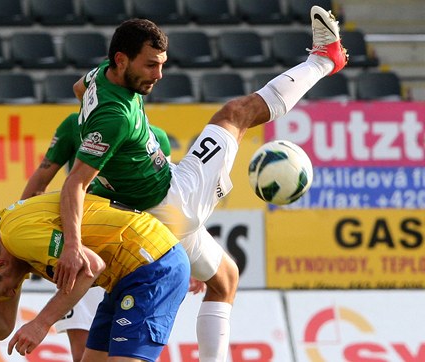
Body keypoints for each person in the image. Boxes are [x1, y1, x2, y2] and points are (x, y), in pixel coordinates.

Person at [56, 7, 348, 361]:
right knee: (236, 115)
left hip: (151, 219)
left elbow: (79, 88)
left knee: (225, 278)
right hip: (174, 199)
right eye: (150, 65)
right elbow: (74, 185)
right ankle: (324, 60)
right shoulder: (114, 118)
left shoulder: (97, 77)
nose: (159, 74)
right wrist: (72, 246)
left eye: (162, 63)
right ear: (121, 60)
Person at [21, 112, 190, 362]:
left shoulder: (158, 140)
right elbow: (38, 183)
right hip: (84, 250)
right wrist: (23, 227)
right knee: (83, 355)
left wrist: (185, 246)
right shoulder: (73, 124)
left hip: (128, 257)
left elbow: (163, 207)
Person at [0, 191, 190, 361]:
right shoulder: (7, 249)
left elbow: (90, 266)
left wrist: (41, 323)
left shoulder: (19, 238)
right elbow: (2, 326)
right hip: (125, 278)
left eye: (3, 290)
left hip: (152, 263)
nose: (10, 294)